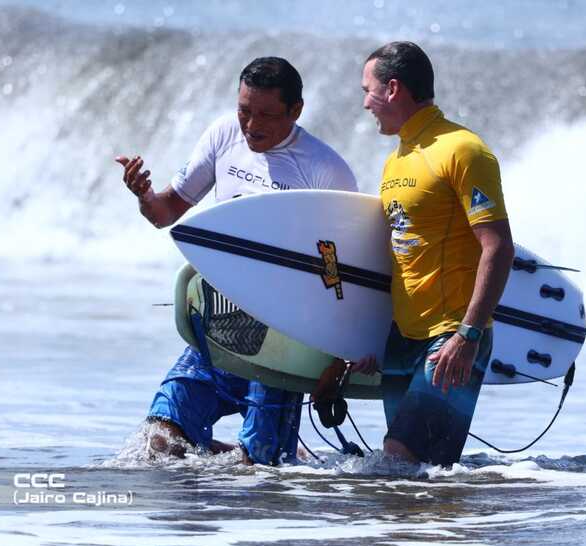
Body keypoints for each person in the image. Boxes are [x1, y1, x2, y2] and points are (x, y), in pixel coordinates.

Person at [116, 57, 358, 465]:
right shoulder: (223, 134)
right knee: (157, 443)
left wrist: (337, 361)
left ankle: (282, 451)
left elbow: (340, 275)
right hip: (222, 327)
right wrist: (144, 194)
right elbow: (165, 213)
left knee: (260, 472)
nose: (250, 124)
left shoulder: (325, 171)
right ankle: (272, 454)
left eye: (265, 114)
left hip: (286, 341)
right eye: (244, 110)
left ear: (296, 111)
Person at [356, 42, 515, 466]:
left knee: (397, 460)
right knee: (420, 478)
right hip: (403, 339)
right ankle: (445, 532)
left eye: (367, 91)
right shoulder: (396, 162)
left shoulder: (463, 149)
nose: (365, 103)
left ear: (393, 89)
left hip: (452, 337)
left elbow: (498, 247)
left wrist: (469, 335)